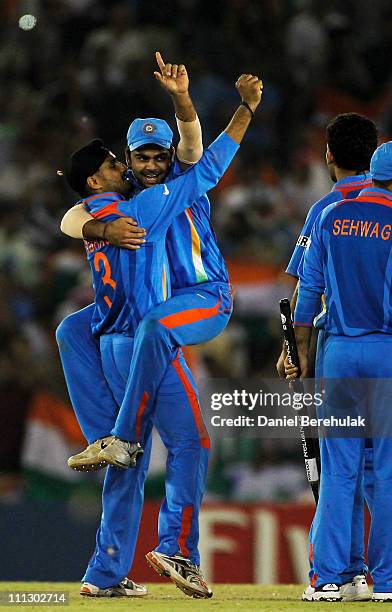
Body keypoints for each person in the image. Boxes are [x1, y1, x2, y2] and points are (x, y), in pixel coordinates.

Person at [58, 73, 263, 598]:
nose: (150, 165)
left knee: (128, 458)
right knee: (189, 442)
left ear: (168, 156)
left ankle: (104, 572)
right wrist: (246, 110)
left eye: (158, 156)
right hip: (147, 335)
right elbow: (210, 160)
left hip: (143, 328)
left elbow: (197, 148)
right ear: (126, 162)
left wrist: (194, 101)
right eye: (139, 158)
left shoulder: (130, 198)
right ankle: (176, 548)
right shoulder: (141, 203)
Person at [279, 113, 392, 596]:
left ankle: (329, 580)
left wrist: (298, 352)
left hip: (339, 352)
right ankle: (390, 582)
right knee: (388, 472)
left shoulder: (327, 213)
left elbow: (307, 294)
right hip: (391, 352)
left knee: (339, 470)